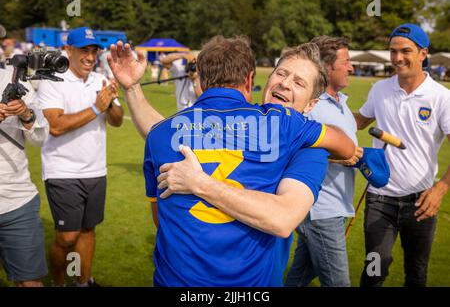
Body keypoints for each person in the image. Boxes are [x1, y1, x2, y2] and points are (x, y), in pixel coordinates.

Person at [108, 36, 355, 286]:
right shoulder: (269, 125)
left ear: (312, 103)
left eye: (299, 82)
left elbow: (282, 219)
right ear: (255, 80)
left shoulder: (308, 150)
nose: (285, 83)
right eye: (281, 73)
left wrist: (199, 183)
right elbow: (160, 131)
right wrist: (132, 88)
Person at [354, 23, 450, 287]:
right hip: (379, 200)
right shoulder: (380, 89)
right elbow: (358, 122)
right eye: (393, 51)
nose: (397, 58)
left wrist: (440, 189)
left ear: (423, 53)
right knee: (375, 269)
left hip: (420, 202)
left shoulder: (441, 98)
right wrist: (323, 107)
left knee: (416, 274)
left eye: (405, 51)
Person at [37, 27, 124, 287]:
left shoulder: (100, 80)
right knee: (67, 237)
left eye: (93, 51)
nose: (89, 57)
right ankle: (59, 283)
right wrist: (97, 107)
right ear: (68, 50)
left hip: (96, 170)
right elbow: (56, 125)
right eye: (83, 51)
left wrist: (110, 103)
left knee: (88, 230)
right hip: (62, 171)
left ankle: (84, 282)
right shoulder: (53, 80)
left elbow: (118, 121)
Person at [285, 36, 362, 287]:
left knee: (298, 279)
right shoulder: (312, 106)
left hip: (338, 206)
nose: (351, 67)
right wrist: (343, 156)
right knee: (338, 283)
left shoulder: (342, 104)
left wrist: (360, 157)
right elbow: (296, 147)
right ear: (328, 67)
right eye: (346, 62)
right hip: (321, 210)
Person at [0, 67, 49, 287]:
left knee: (30, 282)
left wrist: (26, 114)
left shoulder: (14, 76)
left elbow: (41, 137)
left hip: (17, 200)